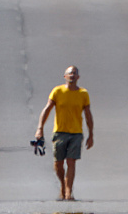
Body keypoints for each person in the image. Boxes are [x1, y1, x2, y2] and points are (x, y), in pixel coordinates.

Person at [35, 65, 94, 200]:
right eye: (69, 73)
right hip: (60, 132)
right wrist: (40, 128)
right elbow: (47, 109)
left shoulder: (83, 94)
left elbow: (88, 115)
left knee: (71, 162)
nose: (72, 75)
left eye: (74, 73)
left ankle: (68, 191)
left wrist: (91, 134)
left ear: (78, 77)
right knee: (58, 163)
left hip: (76, 133)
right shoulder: (57, 91)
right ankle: (63, 184)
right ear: (65, 77)